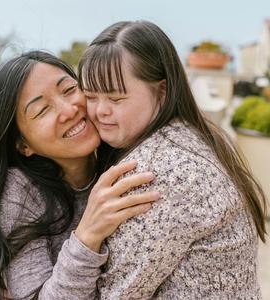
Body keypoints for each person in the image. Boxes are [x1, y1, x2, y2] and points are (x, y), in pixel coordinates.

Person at [78, 20, 268, 299]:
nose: (100, 111)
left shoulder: (157, 174)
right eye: (90, 96)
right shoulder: (191, 135)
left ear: (162, 92)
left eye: (116, 99)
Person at [0, 50, 160, 300]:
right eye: (42, 110)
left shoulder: (127, 157)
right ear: (23, 145)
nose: (70, 109)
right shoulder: (19, 193)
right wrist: (87, 236)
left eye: (69, 90)